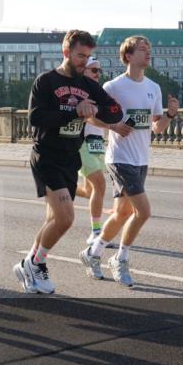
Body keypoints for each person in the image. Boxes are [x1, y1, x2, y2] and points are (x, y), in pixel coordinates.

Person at [14, 30, 123, 295]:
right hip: (47, 155)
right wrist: (74, 111)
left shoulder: (87, 85)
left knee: (53, 218)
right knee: (65, 218)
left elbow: (114, 110)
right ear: (66, 53)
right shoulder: (46, 81)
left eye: (87, 57)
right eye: (79, 56)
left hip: (70, 157)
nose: (83, 62)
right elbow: (36, 118)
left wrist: (97, 110)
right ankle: (35, 263)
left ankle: (27, 265)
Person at [80, 35, 178, 287]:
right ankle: (120, 258)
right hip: (120, 158)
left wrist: (169, 114)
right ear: (128, 56)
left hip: (141, 157)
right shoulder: (113, 87)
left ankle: (93, 253)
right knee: (143, 212)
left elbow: (158, 128)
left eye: (149, 49)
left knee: (123, 212)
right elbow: (90, 117)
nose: (148, 53)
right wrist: (114, 124)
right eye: (142, 49)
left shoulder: (153, 87)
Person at [74, 57, 117, 250]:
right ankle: (96, 232)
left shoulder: (99, 92)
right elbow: (89, 119)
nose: (98, 74)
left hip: (97, 144)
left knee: (90, 190)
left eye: (99, 71)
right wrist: (112, 126)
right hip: (82, 143)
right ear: (83, 71)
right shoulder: (79, 92)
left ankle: (58, 186)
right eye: (94, 70)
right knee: (100, 184)